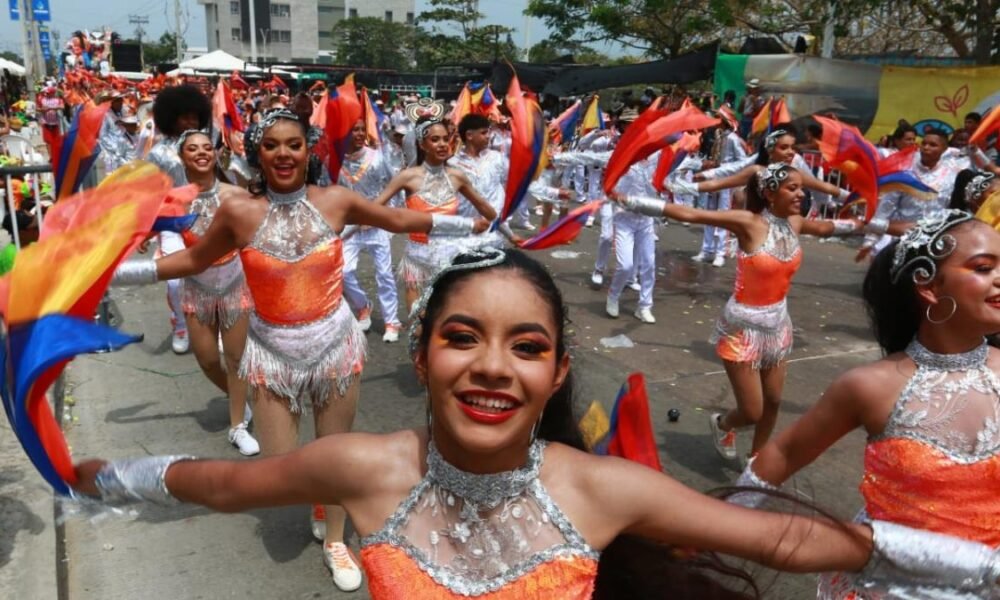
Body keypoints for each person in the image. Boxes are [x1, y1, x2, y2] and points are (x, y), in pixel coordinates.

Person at [81, 249, 1000, 599]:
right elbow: (228, 482)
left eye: (525, 346)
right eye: (460, 337)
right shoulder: (364, 468)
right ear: (421, 358)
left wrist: (973, 564)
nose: (490, 366)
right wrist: (99, 477)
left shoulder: (599, 488)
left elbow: (788, 540)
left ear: (556, 372)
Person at [113, 109, 489, 593]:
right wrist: (115, 273)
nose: (284, 154)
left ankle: (336, 537)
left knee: (333, 455)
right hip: (271, 352)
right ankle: (317, 494)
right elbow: (192, 258)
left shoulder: (335, 200)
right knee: (280, 462)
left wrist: (466, 228)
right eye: (271, 145)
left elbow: (396, 217)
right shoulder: (238, 211)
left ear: (309, 150)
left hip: (333, 347)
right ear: (257, 154)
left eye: (293, 144)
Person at [729, 210, 1000, 598]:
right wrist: (714, 528)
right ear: (928, 287)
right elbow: (785, 453)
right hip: (887, 586)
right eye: (984, 267)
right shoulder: (871, 386)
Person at [612, 164, 862, 460]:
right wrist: (630, 201)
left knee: (773, 400)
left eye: (801, 188)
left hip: (778, 325)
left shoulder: (794, 223)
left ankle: (755, 460)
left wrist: (868, 224)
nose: (801, 194)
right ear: (770, 194)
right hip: (742, 328)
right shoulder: (748, 222)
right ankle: (722, 424)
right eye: (792, 188)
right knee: (753, 411)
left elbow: (826, 228)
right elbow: (692, 214)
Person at [175, 129, 258, 456]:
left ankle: (237, 425)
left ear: (215, 154)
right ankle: (239, 398)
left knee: (236, 358)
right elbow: (148, 229)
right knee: (207, 359)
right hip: (196, 288)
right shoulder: (174, 199)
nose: (201, 153)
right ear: (182, 157)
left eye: (207, 147)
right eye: (192, 149)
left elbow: (257, 228)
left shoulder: (235, 193)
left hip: (235, 284)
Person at [373, 118, 497, 313]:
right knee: (419, 317)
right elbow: (375, 207)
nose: (442, 144)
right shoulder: (408, 177)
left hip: (451, 257)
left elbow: (489, 212)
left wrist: (484, 199)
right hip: (417, 256)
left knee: (449, 311)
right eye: (435, 139)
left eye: (445, 139)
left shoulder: (457, 176)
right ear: (423, 145)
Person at [146, 85, 213, 355]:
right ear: (171, 118)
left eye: (194, 116)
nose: (190, 122)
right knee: (175, 280)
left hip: (204, 218)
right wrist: (146, 230)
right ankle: (181, 326)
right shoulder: (158, 154)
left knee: (211, 275)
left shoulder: (206, 147)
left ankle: (212, 325)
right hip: (172, 222)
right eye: (184, 116)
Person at [338, 119, 404, 343]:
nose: (358, 134)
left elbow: (393, 187)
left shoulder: (377, 157)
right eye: (353, 130)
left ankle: (391, 320)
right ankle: (363, 306)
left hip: (376, 225)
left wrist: (388, 217)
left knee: (384, 274)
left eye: (360, 130)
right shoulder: (334, 161)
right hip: (350, 228)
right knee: (343, 272)